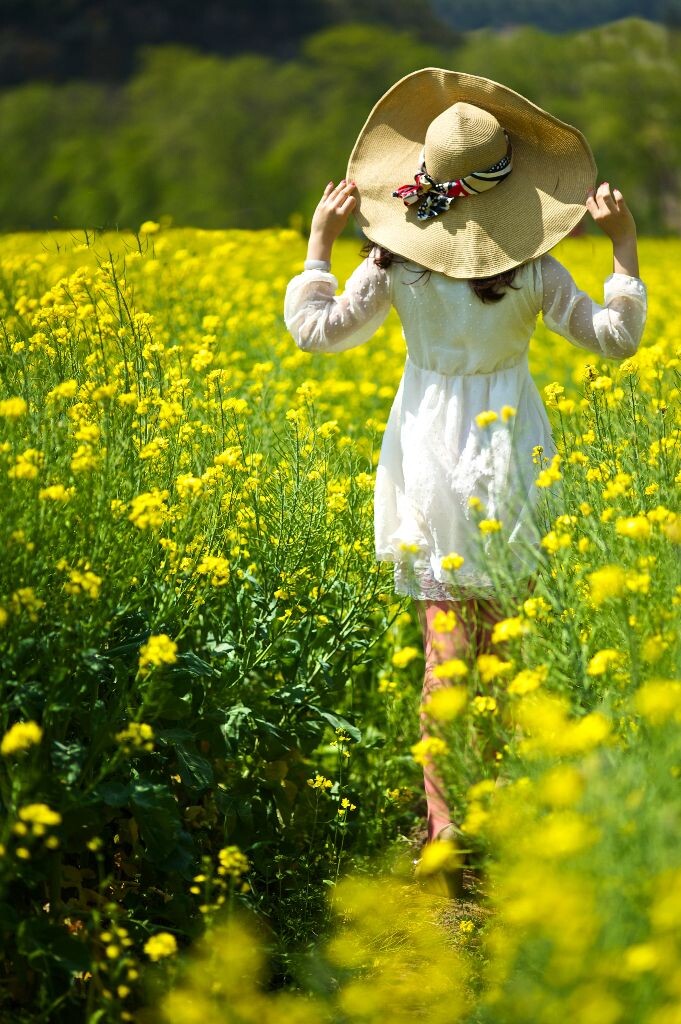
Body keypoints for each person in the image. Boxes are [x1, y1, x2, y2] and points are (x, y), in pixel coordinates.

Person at [283, 69, 647, 881]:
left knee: (443, 654)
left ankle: (446, 824)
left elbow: (318, 330)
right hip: (511, 449)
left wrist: (318, 243)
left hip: (430, 455)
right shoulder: (531, 273)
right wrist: (623, 246)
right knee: (508, 650)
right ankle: (505, 812)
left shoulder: (394, 266)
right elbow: (612, 339)